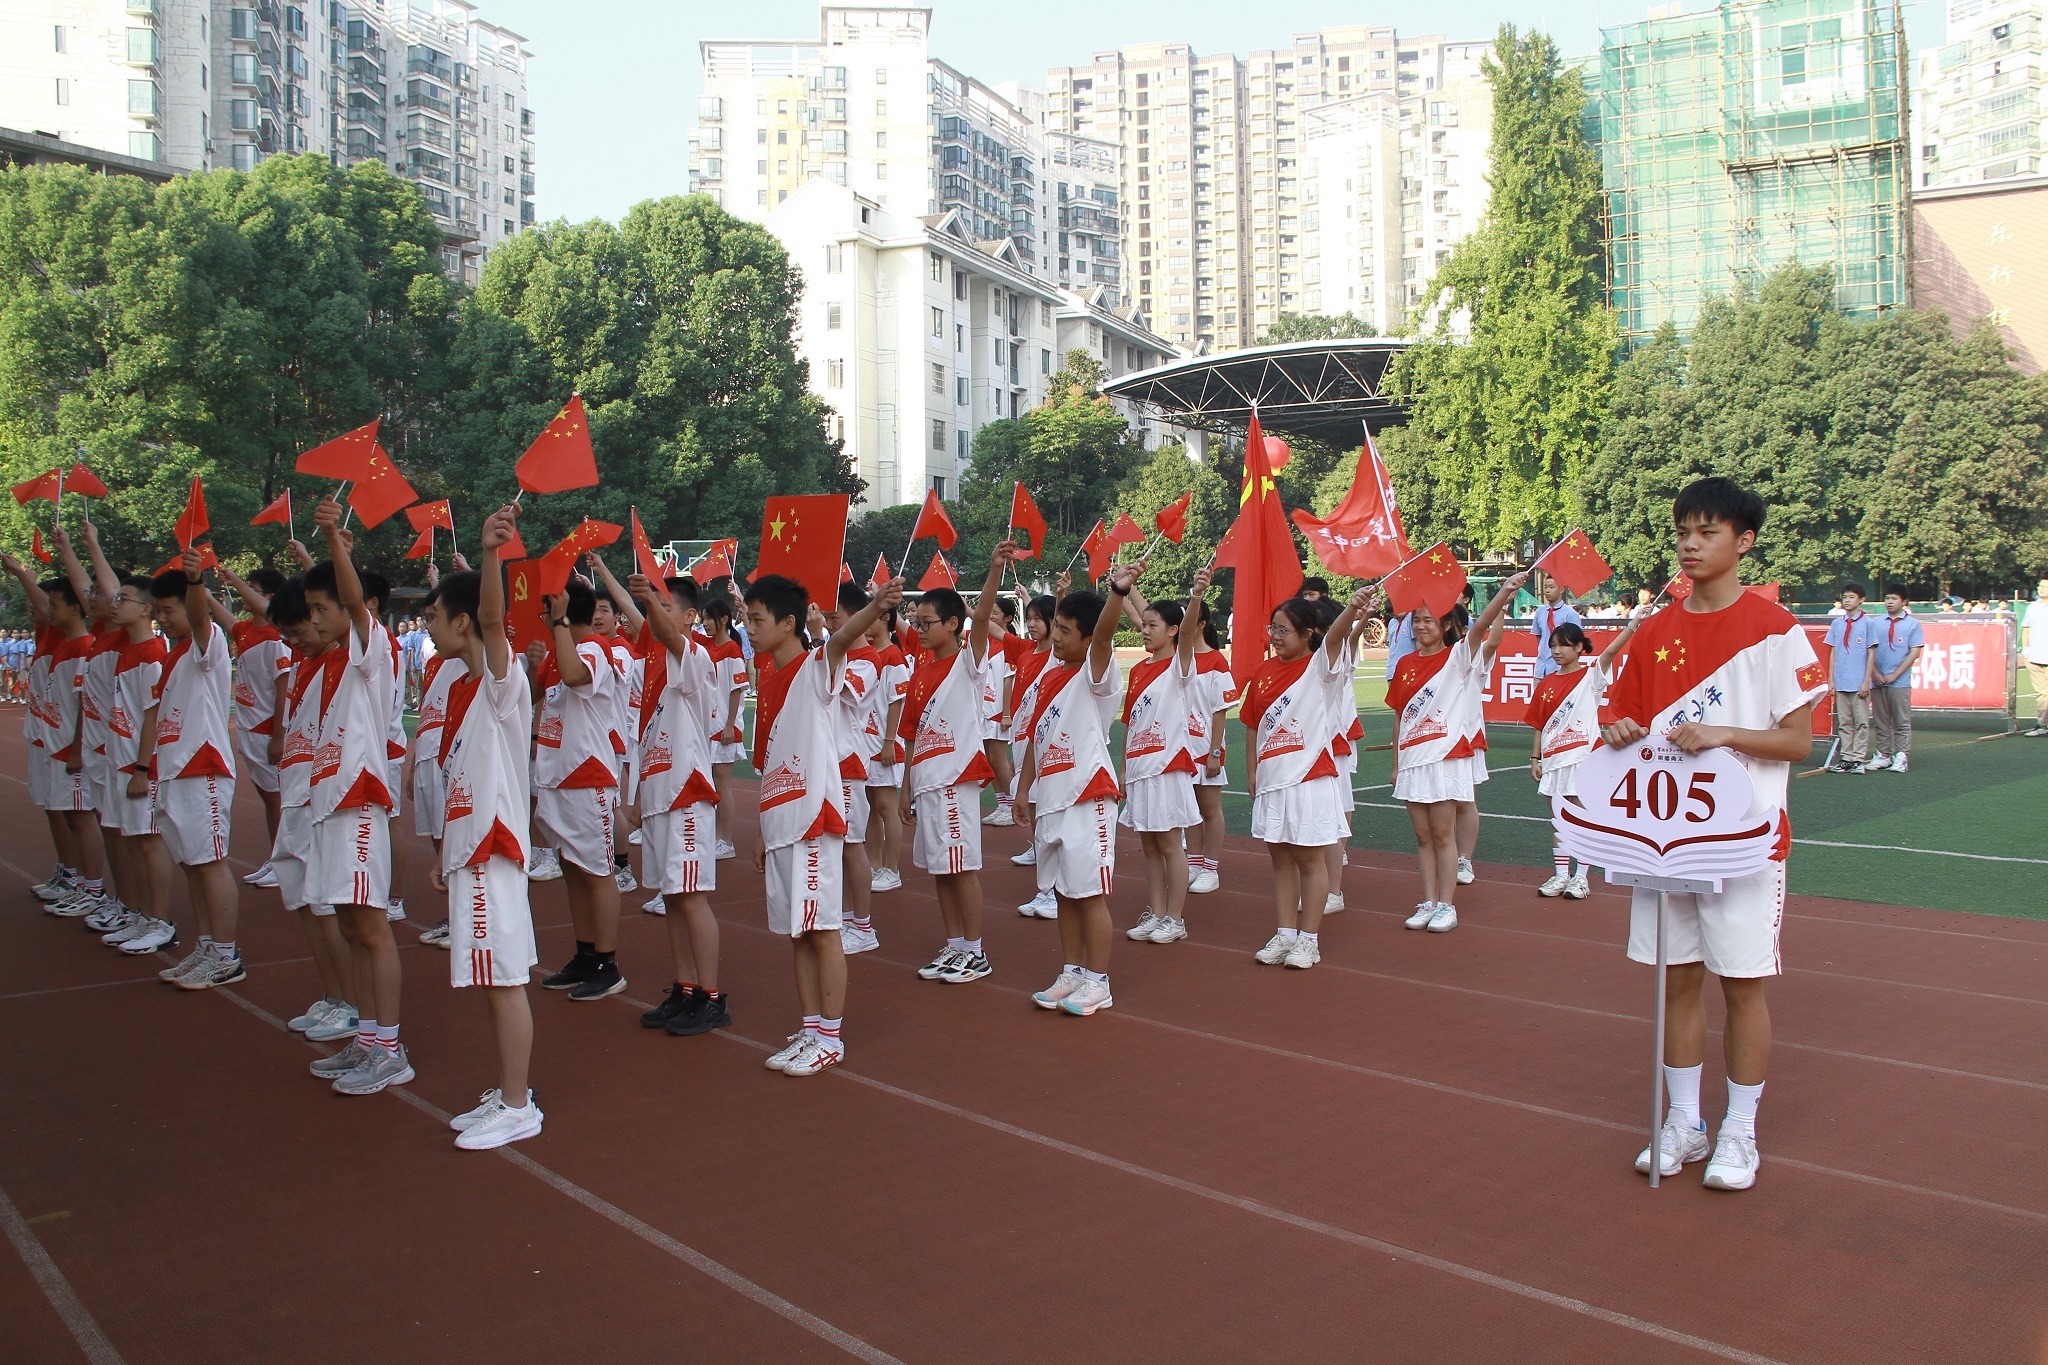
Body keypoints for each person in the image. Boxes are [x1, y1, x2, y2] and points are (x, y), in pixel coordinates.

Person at [1601, 476, 1824, 1192]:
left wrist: (1724, 732)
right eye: (1682, 533)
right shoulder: (1653, 633)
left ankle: (1740, 1131)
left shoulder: (1775, 630)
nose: (1690, 545)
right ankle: (1684, 1122)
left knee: (1743, 987)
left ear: (1743, 540)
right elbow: (1623, 724)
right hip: (1664, 842)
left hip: (1744, 842)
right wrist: (1619, 729)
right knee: (1677, 980)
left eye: (1707, 532)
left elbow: (1799, 742)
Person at [412, 508, 544, 1148]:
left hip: (495, 849)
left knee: (504, 979)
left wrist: (491, 554)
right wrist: (446, 851)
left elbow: (494, 619)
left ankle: (518, 1106)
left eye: (434, 616)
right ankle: (509, 1091)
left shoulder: (499, 680)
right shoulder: (458, 686)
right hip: (471, 849)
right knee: (492, 979)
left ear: (461, 622)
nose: (427, 627)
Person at [748, 571, 902, 1077]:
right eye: (747, 618)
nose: (750, 627)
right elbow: (772, 763)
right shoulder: (768, 681)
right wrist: (763, 830)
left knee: (821, 930)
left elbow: (838, 640)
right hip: (781, 823)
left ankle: (829, 1037)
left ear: (788, 623)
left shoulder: (815, 667)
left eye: (757, 619)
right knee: (798, 933)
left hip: (814, 821)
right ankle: (810, 1027)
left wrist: (876, 605)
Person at [299, 497, 411, 1094]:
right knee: (348, 925)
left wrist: (333, 545)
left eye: (323, 609)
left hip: (359, 802)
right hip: (329, 802)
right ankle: (366, 1037)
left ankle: (390, 1049)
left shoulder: (374, 650)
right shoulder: (332, 659)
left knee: (370, 927)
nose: (313, 619)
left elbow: (351, 600)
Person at [1240, 584, 1382, 969]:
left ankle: (1309, 940)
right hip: (1273, 781)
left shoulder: (1320, 669)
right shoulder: (1264, 672)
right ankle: (1285, 933)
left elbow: (1336, 638)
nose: (1275, 636)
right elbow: (1253, 726)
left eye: (1284, 630)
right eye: (1272, 628)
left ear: (1307, 634)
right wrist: (1253, 772)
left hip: (1309, 778)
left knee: (1309, 860)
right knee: (1281, 861)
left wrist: (1352, 609)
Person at [1018, 551, 1128, 1013]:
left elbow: (1103, 635)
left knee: (1089, 896)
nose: (1056, 637)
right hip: (1052, 799)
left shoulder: (1096, 675)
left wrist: (1117, 592)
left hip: (1089, 797)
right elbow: (1035, 738)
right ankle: (1072, 972)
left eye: (1066, 630)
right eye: (1056, 628)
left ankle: (1098, 982)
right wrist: (1023, 789)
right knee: (1063, 893)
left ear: (1087, 637)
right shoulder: (1050, 676)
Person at [1389, 572, 1527, 934]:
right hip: (1413, 762)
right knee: (1422, 838)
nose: (1420, 626)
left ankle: (1446, 905)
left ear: (1447, 624)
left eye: (1428, 620)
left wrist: (1504, 593)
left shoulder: (1458, 657)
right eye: (1416, 620)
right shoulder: (1404, 665)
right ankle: (1428, 900)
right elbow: (1401, 716)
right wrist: (1396, 764)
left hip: (1446, 758)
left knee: (1442, 834)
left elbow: (1482, 627)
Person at [627, 569, 732, 1035]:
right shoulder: (654, 661)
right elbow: (643, 621)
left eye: (666, 606)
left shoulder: (694, 656)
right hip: (657, 796)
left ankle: (711, 997)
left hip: (686, 794)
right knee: (670, 898)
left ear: (691, 617)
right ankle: (685, 988)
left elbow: (665, 631)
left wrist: (649, 600)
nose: (654, 613)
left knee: (691, 899)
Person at [137, 547, 245, 987]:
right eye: (158, 611)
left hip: (203, 770)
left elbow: (201, 618)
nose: (162, 619)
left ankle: (226, 956)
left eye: (169, 610)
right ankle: (206, 946)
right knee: (192, 865)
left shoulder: (208, 643)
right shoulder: (173, 654)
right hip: (173, 773)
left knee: (211, 862)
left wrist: (197, 581)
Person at [263, 578, 362, 1044]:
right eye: (287, 635)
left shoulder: (350, 659)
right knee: (303, 902)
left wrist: (333, 553)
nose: (296, 641)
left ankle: (353, 1005)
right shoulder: (306, 664)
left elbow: (355, 606)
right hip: (296, 795)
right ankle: (335, 996)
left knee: (327, 907)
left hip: (326, 800)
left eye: (301, 629)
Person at [898, 548, 1005, 984]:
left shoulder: (967, 664)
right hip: (926, 783)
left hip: (955, 781)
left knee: (961, 868)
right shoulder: (920, 672)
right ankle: (955, 944)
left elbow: (982, 618)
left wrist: (994, 569)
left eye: (928, 623)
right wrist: (906, 789)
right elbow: (911, 736)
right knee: (940, 870)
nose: (920, 630)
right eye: (918, 623)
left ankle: (975, 952)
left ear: (952, 624)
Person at [530, 574, 628, 1000]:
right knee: (572, 868)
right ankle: (585, 954)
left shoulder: (594, 647)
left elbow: (574, 677)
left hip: (587, 778)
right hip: (556, 777)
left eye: (548, 611)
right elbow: (535, 693)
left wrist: (557, 624)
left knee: (597, 872)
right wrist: (535, 662)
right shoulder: (561, 650)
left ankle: (607, 964)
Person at [1115, 566, 1210, 946]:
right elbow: (1131, 724)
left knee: (1170, 844)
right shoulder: (1139, 670)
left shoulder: (1179, 666)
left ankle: (1175, 917)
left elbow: (1186, 634)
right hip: (1140, 769)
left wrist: (1196, 595)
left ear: (1172, 630)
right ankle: (1156, 912)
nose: (1144, 629)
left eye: (1153, 625)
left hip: (1168, 767)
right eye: (1144, 624)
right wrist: (1124, 769)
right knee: (1150, 846)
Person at [1525, 616, 1640, 897]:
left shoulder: (1591, 677)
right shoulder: (1546, 683)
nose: (1557, 651)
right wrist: (1535, 758)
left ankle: (1581, 878)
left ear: (1578, 647)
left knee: (1582, 819)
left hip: (1582, 759)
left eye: (1563, 645)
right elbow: (1540, 724)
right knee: (1559, 820)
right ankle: (1560, 875)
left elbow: (1611, 651)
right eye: (1553, 646)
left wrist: (1633, 625)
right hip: (1553, 761)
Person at [97, 571, 176, 955]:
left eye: (123, 599)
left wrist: (142, 769)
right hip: (120, 760)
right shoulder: (127, 648)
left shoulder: (152, 653)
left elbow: (153, 715)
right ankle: (143, 915)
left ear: (146, 609)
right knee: (132, 841)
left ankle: (161, 921)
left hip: (140, 767)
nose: (115, 604)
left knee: (148, 842)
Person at [216, 564, 291, 890]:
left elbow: (284, 688)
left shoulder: (277, 638)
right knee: (267, 797)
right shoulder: (246, 630)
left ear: (269, 597)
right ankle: (277, 857)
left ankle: (284, 861)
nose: (245, 593)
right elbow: (226, 620)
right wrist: (200, 590)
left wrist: (278, 736)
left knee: (276, 799)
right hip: (249, 728)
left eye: (253, 589)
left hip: (265, 729)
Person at [826, 581, 884, 955]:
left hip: (848, 763)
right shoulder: (835, 654)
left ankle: (863, 926)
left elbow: (840, 690)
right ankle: (846, 918)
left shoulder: (867, 661)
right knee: (837, 846)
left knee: (851, 845)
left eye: (834, 618)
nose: (829, 624)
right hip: (829, 761)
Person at [1009, 592, 1060, 909]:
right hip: (1025, 741)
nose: (1031, 624)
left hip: (1052, 752)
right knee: (1037, 816)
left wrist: (1061, 596)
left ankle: (1055, 891)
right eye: (1028, 618)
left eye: (1038, 619)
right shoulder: (1026, 653)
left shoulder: (1057, 656)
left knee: (1052, 822)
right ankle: (1047, 887)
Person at [863, 601, 910, 892]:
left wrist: (889, 741)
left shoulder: (894, 656)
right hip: (864, 744)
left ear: (885, 619)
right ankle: (873, 864)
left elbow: (897, 702)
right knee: (869, 806)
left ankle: (892, 869)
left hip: (883, 744)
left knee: (886, 807)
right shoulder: (868, 654)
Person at [1186, 606, 1233, 896]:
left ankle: (1210, 868)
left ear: (1201, 624)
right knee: (1190, 810)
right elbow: (1144, 615)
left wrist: (1214, 752)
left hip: (1205, 748)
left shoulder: (1216, 661)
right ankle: (1193, 863)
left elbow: (1220, 710)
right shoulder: (1178, 659)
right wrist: (1124, 593)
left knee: (1209, 809)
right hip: (1180, 751)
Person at [699, 597, 748, 858]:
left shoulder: (732, 651)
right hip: (706, 727)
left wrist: (729, 725)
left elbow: (736, 690)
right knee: (707, 785)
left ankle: (726, 840)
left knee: (722, 786)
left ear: (724, 620)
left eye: (709, 618)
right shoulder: (706, 646)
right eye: (704, 618)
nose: (705, 623)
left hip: (723, 729)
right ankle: (712, 835)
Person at [1822, 585, 1878, 772]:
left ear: (1861, 600)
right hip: (1841, 680)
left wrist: (1866, 681)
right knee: (1844, 722)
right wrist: (1831, 679)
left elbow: (1871, 653)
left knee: (1861, 721)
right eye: (1845, 597)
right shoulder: (1837, 624)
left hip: (1859, 680)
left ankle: (1858, 759)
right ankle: (1846, 757)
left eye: (1851, 597)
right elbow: (1833, 652)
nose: (1847, 600)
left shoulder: (1868, 623)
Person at [1868, 590, 1923, 772]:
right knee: (1880, 720)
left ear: (1903, 601)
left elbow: (1914, 652)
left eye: (1894, 599)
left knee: (1901, 720)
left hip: (1899, 682)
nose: (1889, 602)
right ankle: (1883, 754)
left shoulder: (1912, 624)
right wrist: (1874, 673)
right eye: (1887, 598)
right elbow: (1869, 651)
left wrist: (1895, 675)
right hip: (1877, 680)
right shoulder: (1875, 623)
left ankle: (1901, 755)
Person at [1530, 574, 1583, 680]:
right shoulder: (1540, 612)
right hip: (1541, 667)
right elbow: (1538, 636)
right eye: (1545, 587)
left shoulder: (1570, 614)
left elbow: (1576, 641)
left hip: (1561, 668)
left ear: (1561, 589)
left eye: (1551, 587)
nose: (1547, 591)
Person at [2023, 579, 2048, 736]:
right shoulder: (2032, 607)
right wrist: (2025, 650)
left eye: (2046, 587)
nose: (2042, 589)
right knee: (2042, 694)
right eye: (2040, 586)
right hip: (2035, 657)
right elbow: (2026, 628)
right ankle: (2042, 725)